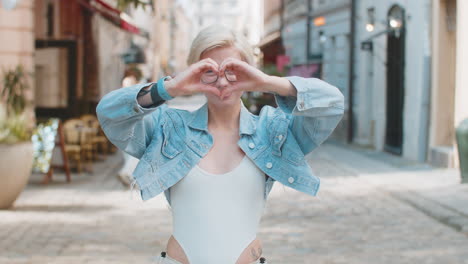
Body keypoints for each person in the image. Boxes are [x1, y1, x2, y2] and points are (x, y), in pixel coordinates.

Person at [96, 25, 344, 264]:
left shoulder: (273, 131)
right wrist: (170, 88)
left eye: (233, 70)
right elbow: (109, 113)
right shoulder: (169, 128)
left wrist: (267, 82)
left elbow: (332, 104)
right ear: (194, 71)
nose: (223, 82)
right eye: (209, 71)